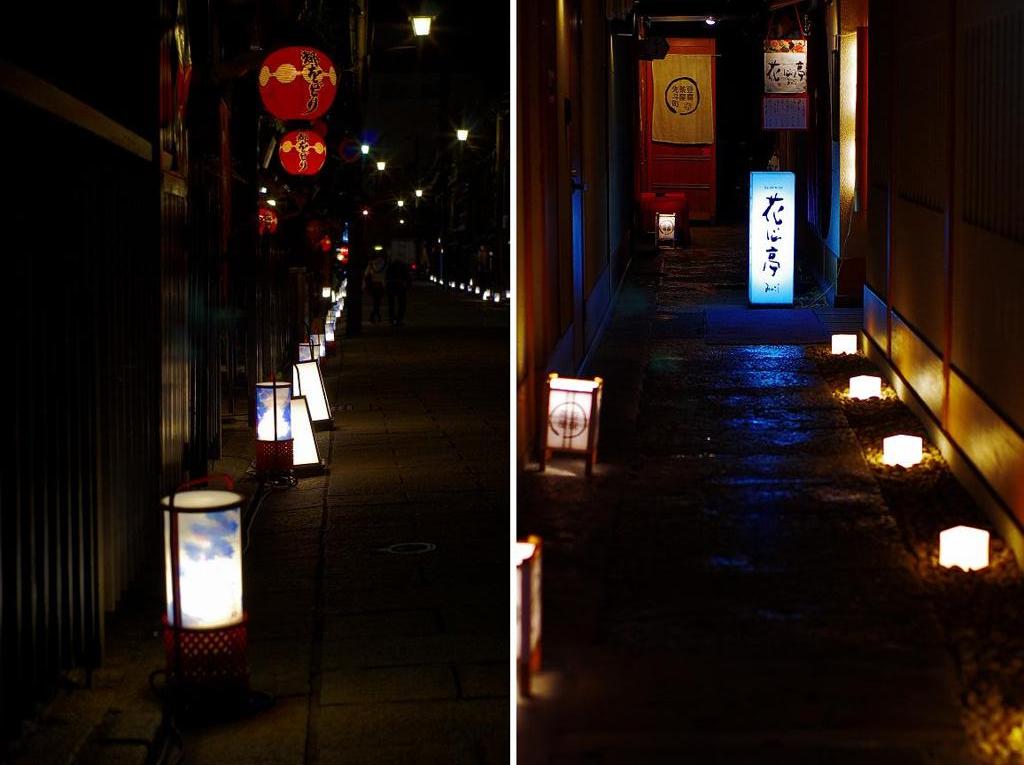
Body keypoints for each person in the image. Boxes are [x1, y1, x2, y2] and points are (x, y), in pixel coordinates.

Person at [385, 257, 412, 325]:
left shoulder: (390, 267)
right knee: (402, 303)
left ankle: (392, 318)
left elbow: (386, 276)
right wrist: (408, 286)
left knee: (391, 303)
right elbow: (408, 277)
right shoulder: (403, 267)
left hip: (391, 285)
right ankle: (399, 319)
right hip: (400, 286)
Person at [364, 254, 386, 323]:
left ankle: (375, 316)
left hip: (373, 285)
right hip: (380, 285)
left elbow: (366, 274)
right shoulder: (384, 264)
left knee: (375, 302)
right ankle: (376, 316)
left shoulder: (371, 264)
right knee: (377, 302)